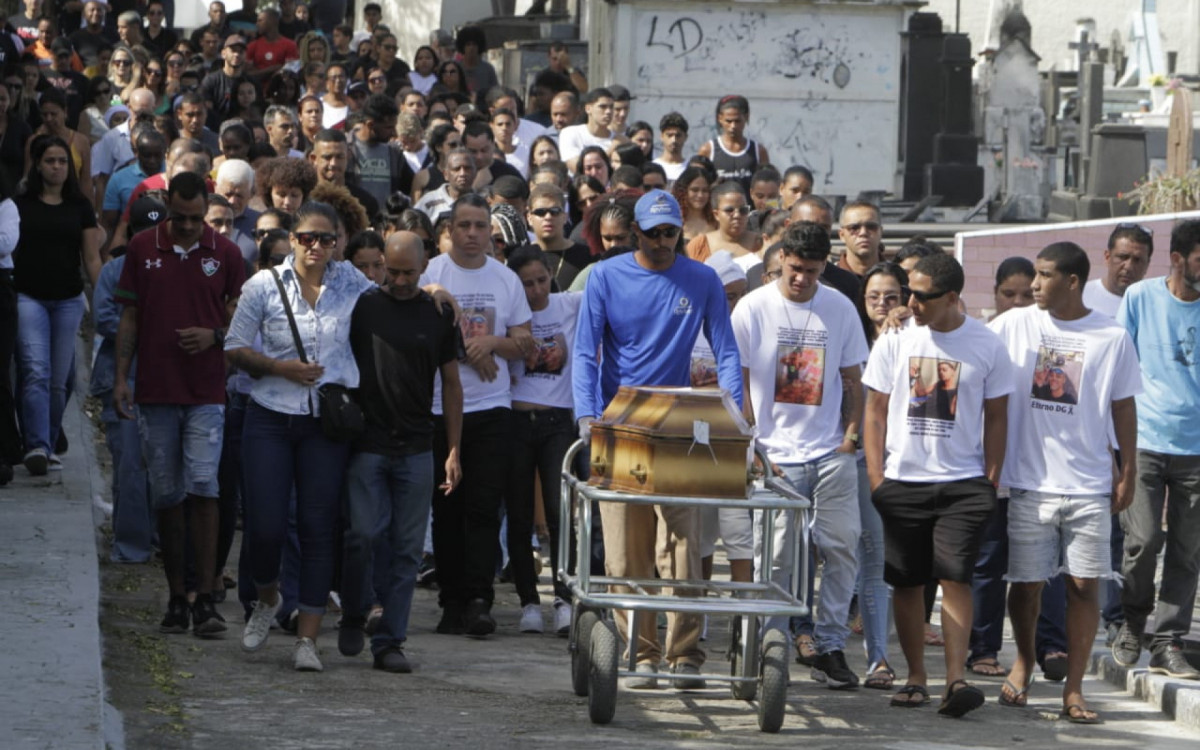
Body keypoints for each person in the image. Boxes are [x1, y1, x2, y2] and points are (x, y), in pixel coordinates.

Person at [572, 189, 742, 690]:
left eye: (672, 232)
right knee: (627, 549)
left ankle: (685, 654)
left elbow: (726, 350)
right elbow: (586, 352)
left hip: (680, 424)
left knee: (686, 544)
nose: (664, 241)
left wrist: (731, 412)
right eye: (654, 232)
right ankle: (641, 652)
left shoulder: (702, 277)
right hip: (620, 422)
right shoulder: (605, 276)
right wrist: (586, 416)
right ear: (636, 233)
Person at [990, 242, 1141, 724]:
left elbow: (1122, 405)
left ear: (1072, 282)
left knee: (1083, 585)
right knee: (1027, 584)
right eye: (1035, 274)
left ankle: (1074, 690)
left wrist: (1128, 469)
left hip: (1089, 483)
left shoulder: (1111, 335)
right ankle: (1024, 661)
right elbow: (963, 343)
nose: (1034, 284)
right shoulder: (1015, 324)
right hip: (1030, 481)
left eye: (1045, 275)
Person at [861, 252, 1012, 717]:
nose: (911, 302)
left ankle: (955, 680)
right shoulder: (896, 338)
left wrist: (989, 477)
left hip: (963, 481)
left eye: (921, 295)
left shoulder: (986, 343)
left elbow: (998, 414)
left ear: (952, 297)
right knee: (907, 583)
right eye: (909, 292)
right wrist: (876, 477)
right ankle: (915, 678)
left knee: (955, 575)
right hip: (902, 479)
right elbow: (874, 410)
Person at [224, 201, 371, 670]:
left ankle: (307, 637)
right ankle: (267, 598)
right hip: (269, 413)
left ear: (337, 242)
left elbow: (394, 300)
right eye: (307, 237)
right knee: (265, 526)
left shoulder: (352, 282)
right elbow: (233, 346)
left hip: (324, 424)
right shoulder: (264, 285)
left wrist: (435, 291)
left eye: (326, 239)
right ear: (292, 238)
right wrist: (276, 367)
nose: (316, 247)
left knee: (316, 528)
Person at [732, 222, 868, 690]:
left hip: (830, 452)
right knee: (775, 557)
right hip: (773, 454)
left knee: (842, 548)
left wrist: (850, 437)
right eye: (793, 269)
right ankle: (771, 645)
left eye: (811, 271)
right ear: (781, 260)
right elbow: (740, 383)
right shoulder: (753, 308)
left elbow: (853, 378)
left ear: (824, 266)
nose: (801, 279)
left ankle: (830, 645)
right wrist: (751, 444)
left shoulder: (841, 308)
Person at [114, 172, 246, 638]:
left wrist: (216, 336)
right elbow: (129, 315)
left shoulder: (227, 254)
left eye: (195, 219)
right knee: (167, 493)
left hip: (206, 393)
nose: (188, 227)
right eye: (179, 218)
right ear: (167, 205)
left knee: (205, 486)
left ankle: (207, 598)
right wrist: (120, 378)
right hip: (155, 391)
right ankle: (176, 597)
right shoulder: (141, 248)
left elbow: (243, 322)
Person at [418, 192, 533, 637]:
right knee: (446, 508)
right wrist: (466, 348)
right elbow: (423, 325)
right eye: (463, 226)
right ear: (449, 230)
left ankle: (480, 599)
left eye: (479, 226)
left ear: (491, 231)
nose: (471, 234)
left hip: (492, 407)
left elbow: (524, 340)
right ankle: (451, 599)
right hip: (440, 408)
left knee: (485, 508)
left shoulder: (505, 279)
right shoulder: (433, 273)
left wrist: (491, 344)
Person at [1111, 219, 1200, 681]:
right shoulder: (1141, 298)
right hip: (1144, 438)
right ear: (1179, 258)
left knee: (1188, 550)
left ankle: (1168, 641)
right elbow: (1117, 367)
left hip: (1197, 448)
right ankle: (1131, 622)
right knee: (1143, 541)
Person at [503, 245, 583, 635]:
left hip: (557, 422)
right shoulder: (507, 314)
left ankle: (564, 598)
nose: (535, 290)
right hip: (516, 420)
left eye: (541, 280)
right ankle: (528, 601)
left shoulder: (569, 304)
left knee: (559, 513)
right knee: (518, 515)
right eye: (526, 283)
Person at [14, 135, 101, 474]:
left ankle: (48, 442)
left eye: (63, 161)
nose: (57, 167)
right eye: (50, 161)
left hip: (67, 300)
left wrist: (105, 296)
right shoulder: (21, 205)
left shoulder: (80, 207)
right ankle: (36, 444)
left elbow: (91, 258)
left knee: (61, 380)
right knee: (36, 370)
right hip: (28, 296)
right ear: (38, 164)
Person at [93, 196, 166, 562]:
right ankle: (131, 545)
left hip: (164, 380)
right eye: (144, 230)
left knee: (161, 465)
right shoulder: (114, 271)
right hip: (122, 380)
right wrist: (143, 331)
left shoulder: (173, 269)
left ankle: (156, 535)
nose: (152, 237)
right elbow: (105, 318)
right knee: (130, 467)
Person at [521, 183, 592, 289]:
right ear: (529, 218)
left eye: (555, 211)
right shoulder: (519, 258)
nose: (548, 217)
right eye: (540, 212)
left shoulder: (588, 256)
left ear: (565, 216)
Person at [697, 96, 769, 191]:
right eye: (729, 121)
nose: (733, 126)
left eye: (737, 121)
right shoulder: (708, 150)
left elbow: (769, 186)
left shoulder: (758, 151)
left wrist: (771, 205)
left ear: (746, 117)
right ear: (720, 118)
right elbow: (698, 186)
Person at [685, 181, 757, 263]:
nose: (737, 215)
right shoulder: (698, 246)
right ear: (716, 214)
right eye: (729, 210)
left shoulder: (760, 244)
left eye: (743, 210)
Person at [558, 87, 616, 171]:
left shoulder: (619, 138)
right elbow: (577, 168)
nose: (608, 111)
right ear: (588, 109)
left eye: (611, 107)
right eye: (602, 107)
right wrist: (613, 148)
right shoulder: (570, 133)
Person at [246, 6, 299, 83]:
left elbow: (290, 74)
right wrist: (272, 69)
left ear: (272, 21)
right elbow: (247, 75)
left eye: (260, 20)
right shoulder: (252, 46)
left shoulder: (290, 45)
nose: (257, 24)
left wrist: (259, 72)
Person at [837, 201, 884, 278]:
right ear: (842, 235)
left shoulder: (898, 278)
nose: (863, 233)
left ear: (881, 232)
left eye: (871, 227)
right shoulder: (826, 280)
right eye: (854, 228)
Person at [672, 166, 715, 243]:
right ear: (683, 191)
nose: (700, 195)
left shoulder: (717, 221)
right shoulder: (673, 221)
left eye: (705, 190)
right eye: (695, 190)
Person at [455, 25, 497, 102]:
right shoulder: (455, 68)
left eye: (474, 44)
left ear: (479, 46)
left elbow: (494, 93)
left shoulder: (488, 69)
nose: (471, 48)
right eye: (468, 44)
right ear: (462, 46)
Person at [653, 111, 689, 183]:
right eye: (669, 135)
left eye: (678, 135)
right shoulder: (653, 167)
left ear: (685, 137)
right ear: (662, 136)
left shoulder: (690, 168)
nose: (674, 140)